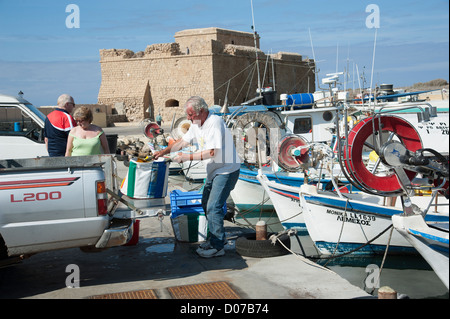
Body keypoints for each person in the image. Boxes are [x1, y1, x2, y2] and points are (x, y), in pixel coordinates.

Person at [153, 96, 241, 258]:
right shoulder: (196, 124)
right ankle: (214, 238)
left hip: (227, 170)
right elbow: (182, 142)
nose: (188, 118)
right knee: (206, 203)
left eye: (191, 114)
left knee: (213, 207)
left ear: (201, 111)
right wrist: (164, 151)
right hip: (215, 171)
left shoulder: (214, 122)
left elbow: (212, 152)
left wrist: (186, 158)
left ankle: (218, 246)